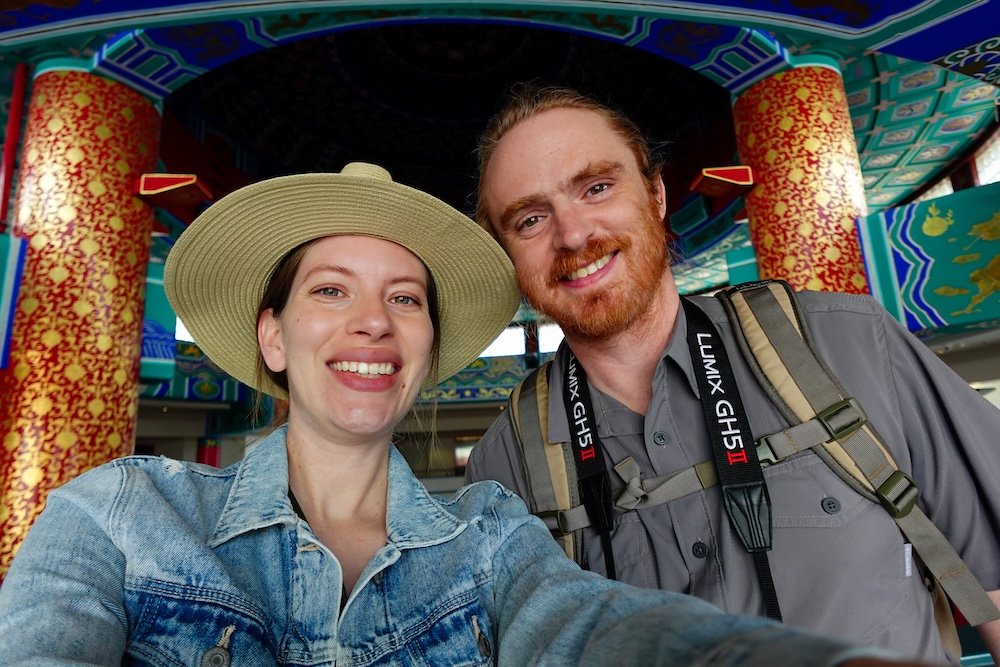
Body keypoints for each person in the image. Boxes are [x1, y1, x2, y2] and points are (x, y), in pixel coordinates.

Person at [0, 162, 929, 666]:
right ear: (272, 338)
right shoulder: (118, 514)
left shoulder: (490, 537)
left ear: (424, 354)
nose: (374, 319)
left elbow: (594, 627)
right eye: (332, 290)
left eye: (406, 298)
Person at [465, 84, 1000, 666]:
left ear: (657, 192)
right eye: (530, 220)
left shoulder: (846, 345)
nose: (572, 235)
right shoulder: (506, 463)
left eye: (596, 187)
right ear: (505, 256)